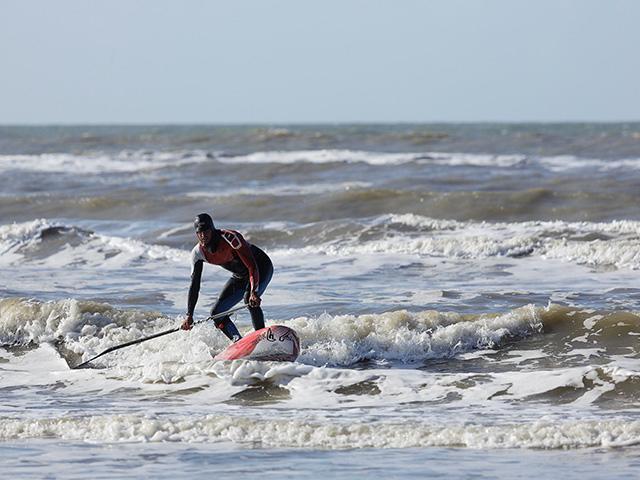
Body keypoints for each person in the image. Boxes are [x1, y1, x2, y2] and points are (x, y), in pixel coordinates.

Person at [181, 213, 273, 341]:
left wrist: (253, 292)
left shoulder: (231, 238)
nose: (203, 236)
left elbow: (252, 266)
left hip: (261, 268)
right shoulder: (197, 253)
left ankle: (263, 338)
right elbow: (194, 286)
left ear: (212, 229)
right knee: (216, 313)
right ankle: (239, 343)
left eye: (206, 231)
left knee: (249, 299)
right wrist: (189, 315)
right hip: (240, 276)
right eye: (199, 232)